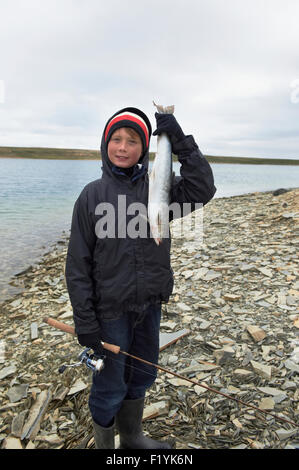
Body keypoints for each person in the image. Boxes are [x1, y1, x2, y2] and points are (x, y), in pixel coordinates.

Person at [65, 106, 216, 449]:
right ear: (105, 144)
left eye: (132, 141)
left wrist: (179, 141)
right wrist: (85, 320)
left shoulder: (160, 189)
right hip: (109, 312)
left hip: (149, 305)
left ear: (144, 148)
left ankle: (132, 438)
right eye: (115, 139)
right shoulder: (91, 195)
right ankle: (106, 447)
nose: (122, 147)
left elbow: (203, 188)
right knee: (109, 384)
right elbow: (77, 264)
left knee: (143, 373)